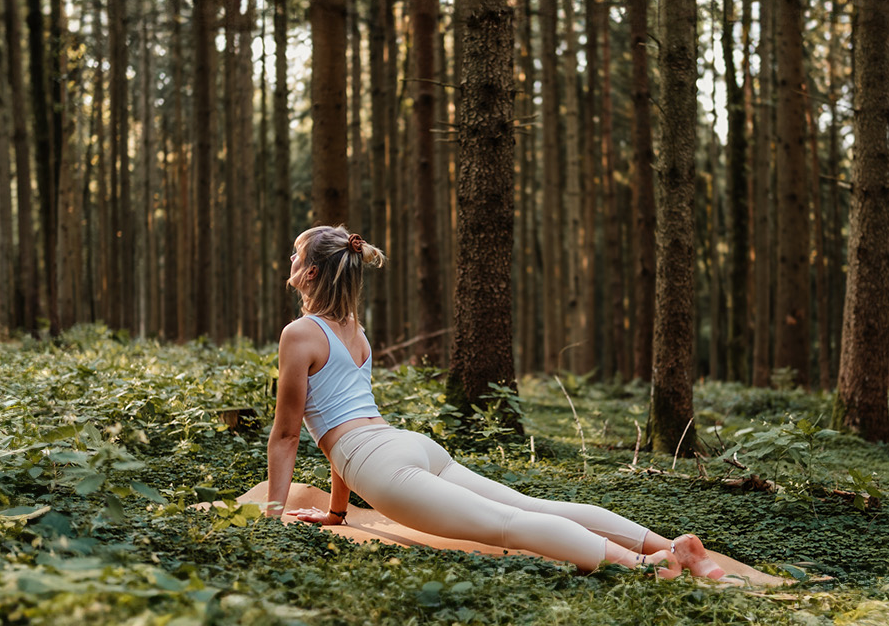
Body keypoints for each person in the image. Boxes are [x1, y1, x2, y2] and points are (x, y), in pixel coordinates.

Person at [263, 225, 726, 579]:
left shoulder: (300, 333)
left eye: (296, 253)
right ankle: (672, 546)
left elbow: (288, 434)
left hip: (380, 461)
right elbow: (345, 420)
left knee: (511, 523)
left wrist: (271, 516)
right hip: (405, 445)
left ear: (311, 272)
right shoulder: (354, 331)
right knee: (535, 506)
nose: (290, 257)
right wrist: (337, 512)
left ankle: (644, 565)